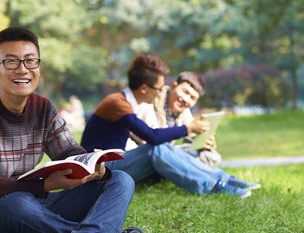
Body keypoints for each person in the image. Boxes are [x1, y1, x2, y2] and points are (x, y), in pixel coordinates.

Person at [0, 27, 149, 233]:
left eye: (30, 61)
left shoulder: (42, 108)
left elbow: (68, 152)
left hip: (31, 203)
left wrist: (94, 165)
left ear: (38, 68)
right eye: (11, 62)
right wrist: (44, 186)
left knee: (120, 179)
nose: (22, 69)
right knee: (18, 203)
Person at [81, 54, 260, 198]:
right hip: (99, 170)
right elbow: (152, 136)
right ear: (144, 88)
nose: (161, 92)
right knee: (155, 149)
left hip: (115, 164)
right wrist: (189, 128)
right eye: (159, 88)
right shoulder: (117, 103)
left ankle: (224, 179)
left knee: (164, 149)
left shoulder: (126, 103)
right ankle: (212, 186)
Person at [126, 71, 222, 167]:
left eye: (192, 98)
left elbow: (190, 141)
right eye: (185, 92)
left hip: (162, 155)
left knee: (211, 156)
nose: (186, 99)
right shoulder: (148, 101)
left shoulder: (185, 112)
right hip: (138, 153)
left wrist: (204, 143)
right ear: (174, 86)